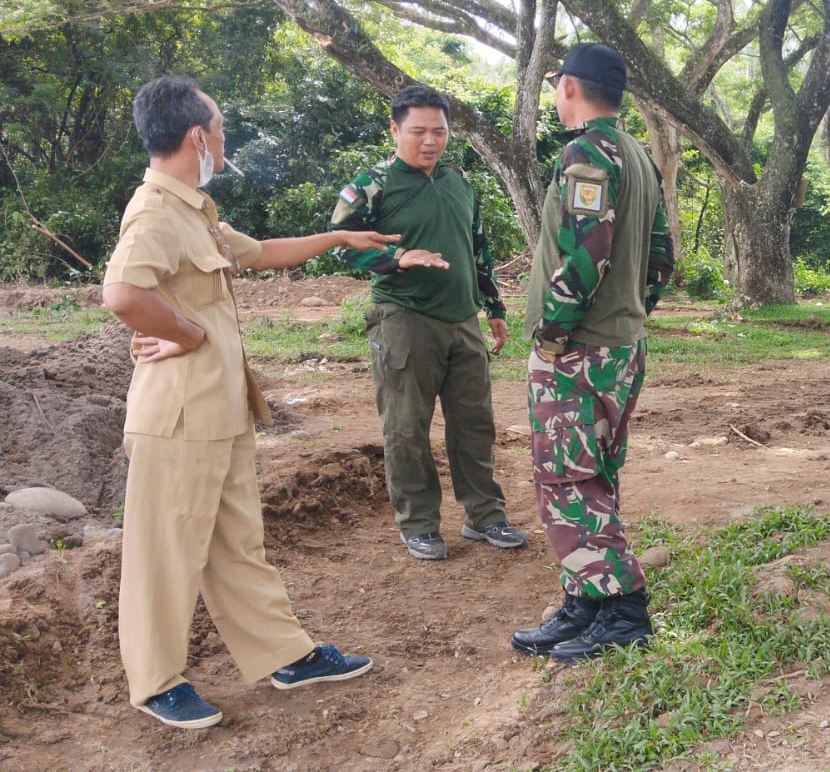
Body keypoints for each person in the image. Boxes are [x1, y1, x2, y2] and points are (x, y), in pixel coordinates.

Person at [102, 75, 378, 729]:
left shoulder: (193, 208)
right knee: (164, 551)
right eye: (220, 125)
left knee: (236, 543)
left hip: (218, 414)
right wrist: (187, 333)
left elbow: (258, 255)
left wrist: (338, 240)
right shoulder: (153, 210)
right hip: (177, 418)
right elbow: (122, 293)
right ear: (197, 134)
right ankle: (155, 682)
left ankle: (285, 654)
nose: (224, 136)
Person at [510, 44, 674, 664]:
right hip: (621, 346)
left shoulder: (586, 151)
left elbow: (588, 252)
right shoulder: (639, 157)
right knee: (592, 476)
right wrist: (632, 312)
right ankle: (588, 598)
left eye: (556, 86)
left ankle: (624, 609)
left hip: (578, 351)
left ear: (571, 87)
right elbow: (661, 258)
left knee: (568, 480)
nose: (555, 96)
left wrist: (555, 334)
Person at [330, 85, 528, 561]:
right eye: (418, 131)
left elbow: (478, 247)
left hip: (463, 321)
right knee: (406, 428)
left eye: (439, 132)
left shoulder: (460, 181)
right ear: (395, 129)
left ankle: (485, 515)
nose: (429, 141)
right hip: (403, 319)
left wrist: (494, 308)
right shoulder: (371, 184)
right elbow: (339, 244)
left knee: (474, 425)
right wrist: (398, 258)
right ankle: (418, 523)